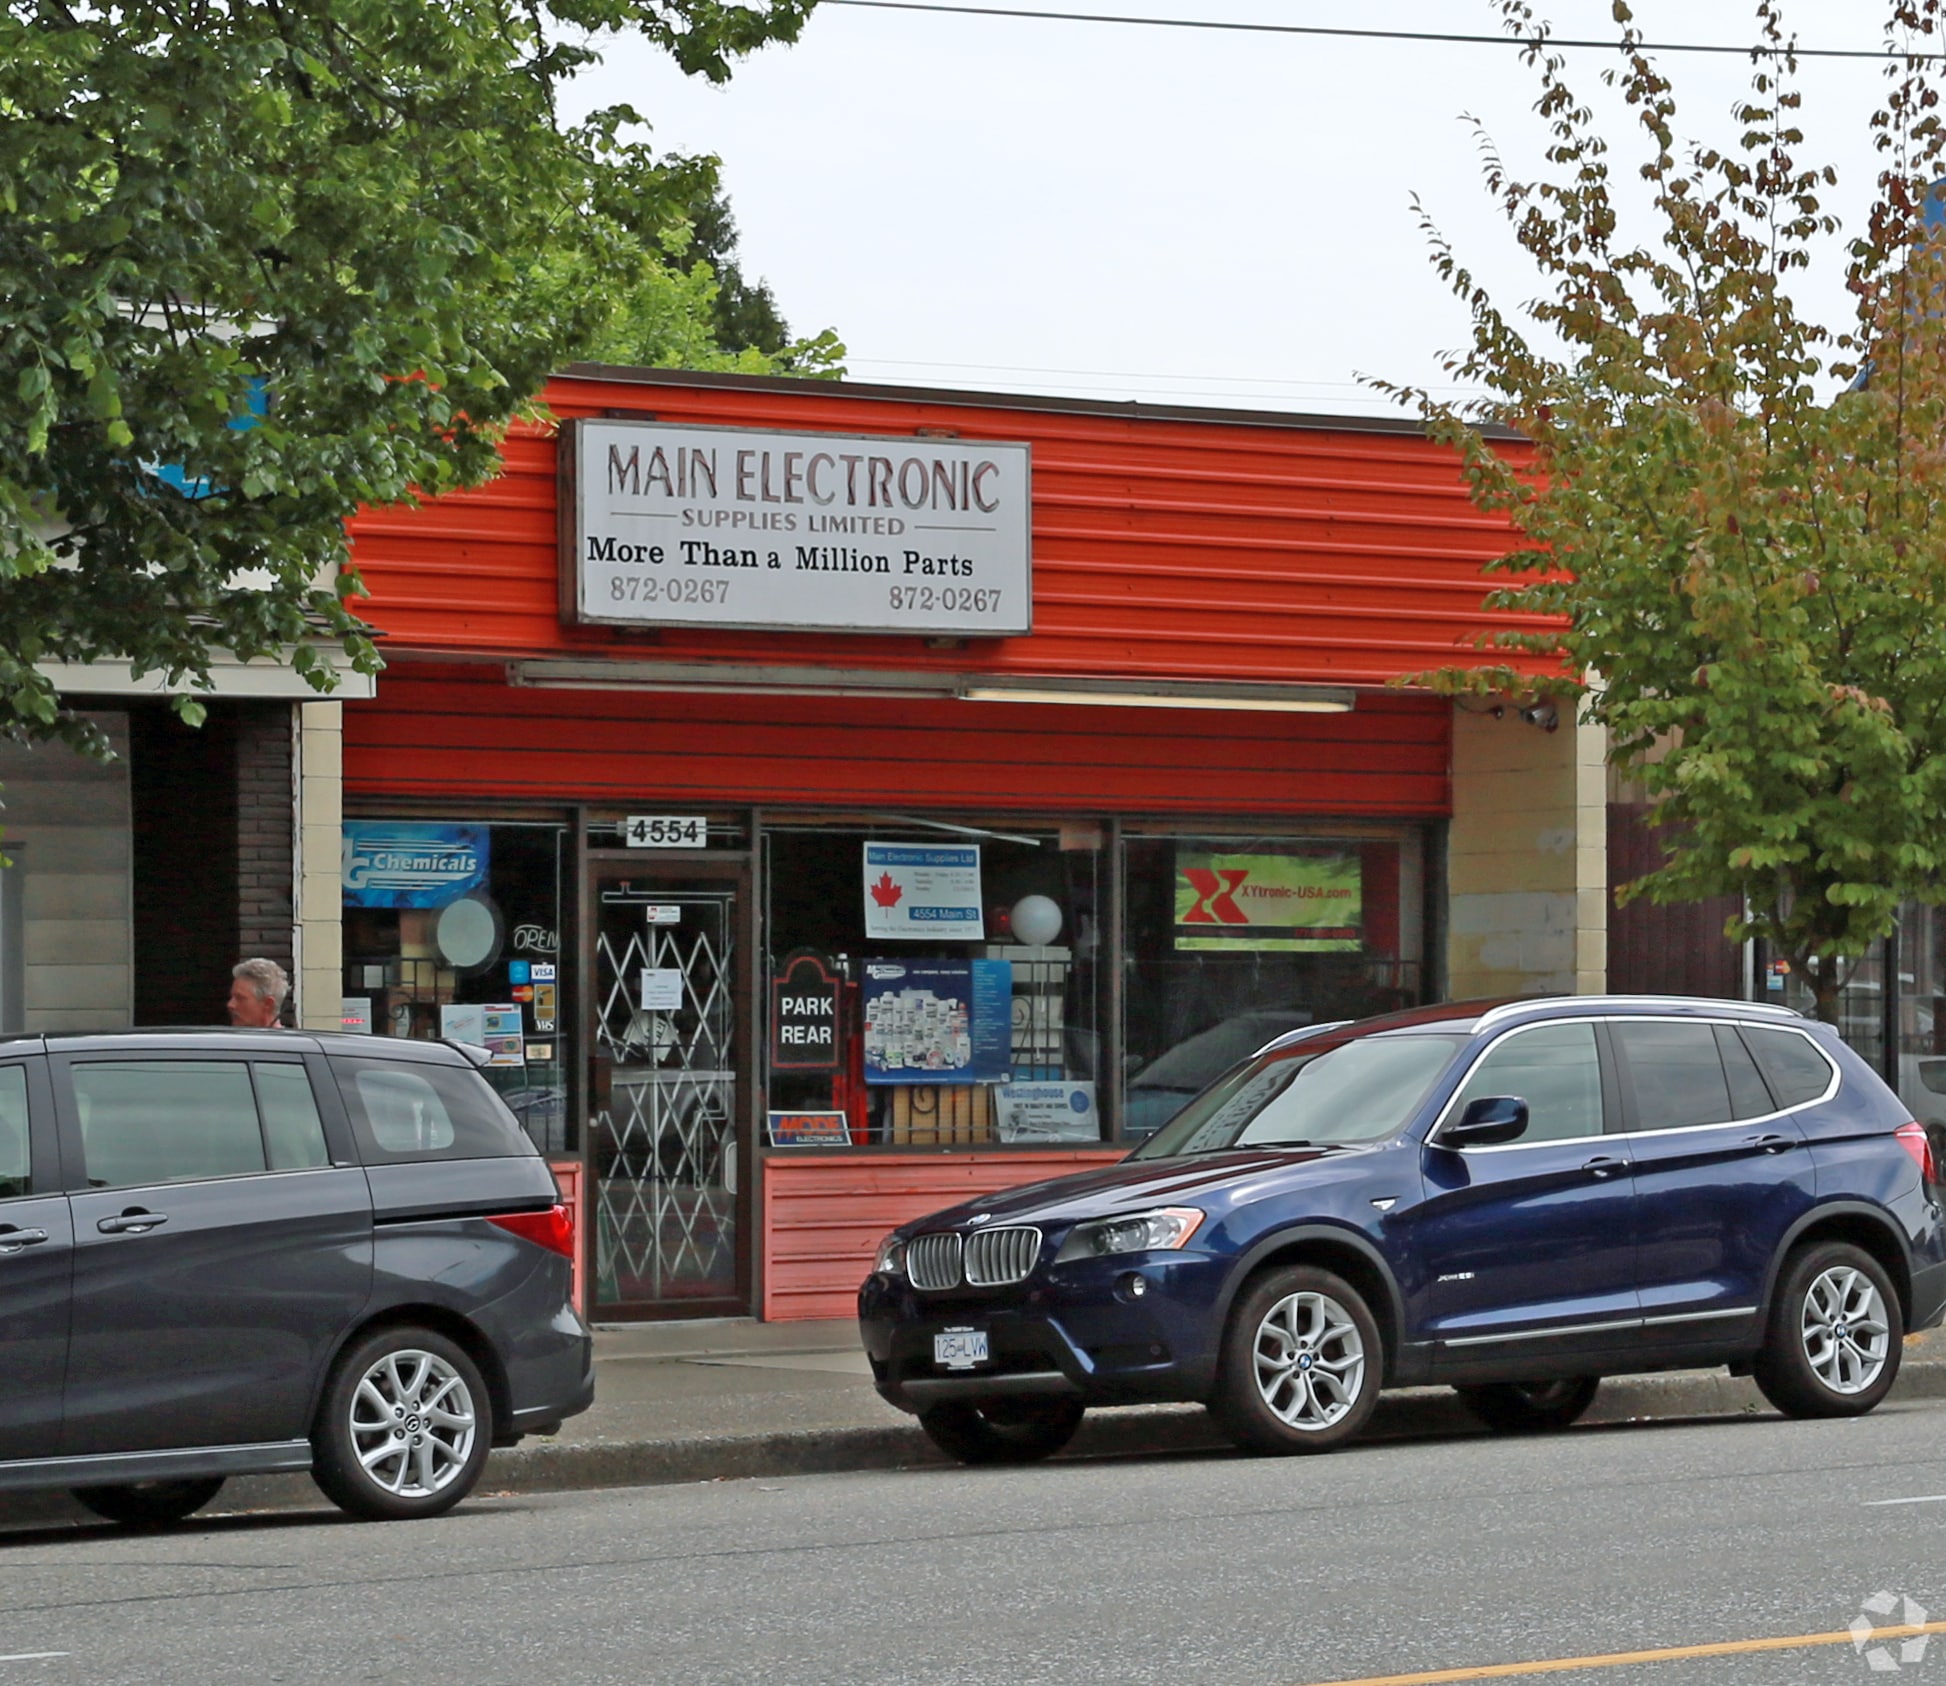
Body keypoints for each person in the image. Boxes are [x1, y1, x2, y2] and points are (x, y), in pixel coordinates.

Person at [228, 958, 290, 1028]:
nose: (230, 1004)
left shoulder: (285, 1039)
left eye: (240, 998)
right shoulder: (231, 1038)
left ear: (268, 1004)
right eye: (232, 997)